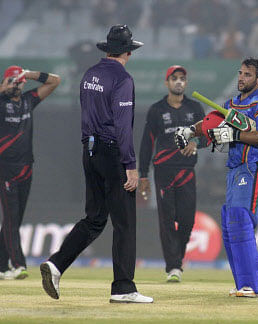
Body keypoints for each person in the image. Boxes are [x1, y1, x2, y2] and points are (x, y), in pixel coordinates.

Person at [39, 24, 153, 303]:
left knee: (95, 218)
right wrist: (131, 164)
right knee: (125, 223)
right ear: (128, 51)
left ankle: (56, 264)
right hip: (113, 154)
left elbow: (87, 114)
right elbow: (123, 127)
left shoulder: (90, 74)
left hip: (89, 151)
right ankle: (123, 288)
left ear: (107, 48)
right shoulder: (123, 79)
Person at [174, 57, 258, 297]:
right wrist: (190, 132)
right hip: (234, 168)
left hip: (252, 166)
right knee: (230, 222)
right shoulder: (231, 103)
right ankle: (242, 285)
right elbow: (211, 123)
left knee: (240, 219)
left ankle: (252, 286)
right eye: (240, 73)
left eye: (247, 75)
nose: (241, 77)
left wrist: (233, 135)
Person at [138, 65, 206, 282]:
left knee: (187, 221)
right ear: (166, 82)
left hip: (186, 171)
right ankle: (173, 267)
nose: (178, 82)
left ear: (186, 83)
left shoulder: (195, 109)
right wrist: (143, 175)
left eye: (182, 78)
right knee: (167, 220)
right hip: (164, 172)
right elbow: (147, 143)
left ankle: (177, 259)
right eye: (174, 78)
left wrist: (195, 142)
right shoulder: (157, 110)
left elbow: (207, 135)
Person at [0, 66, 60, 280]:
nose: (17, 84)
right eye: (12, 80)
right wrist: (3, 88)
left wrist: (31, 74)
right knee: (10, 217)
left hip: (26, 168)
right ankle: (18, 264)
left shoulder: (28, 100)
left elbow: (55, 81)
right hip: (5, 168)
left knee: (14, 220)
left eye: (19, 80)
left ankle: (1, 266)